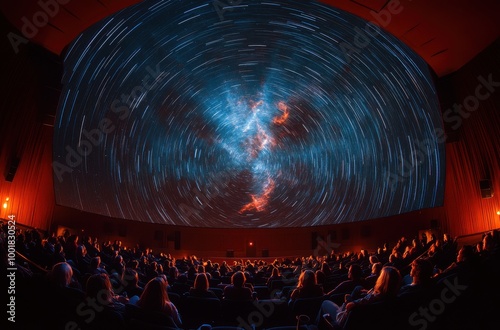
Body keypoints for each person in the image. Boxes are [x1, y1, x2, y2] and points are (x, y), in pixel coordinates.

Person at [318, 266, 401, 328]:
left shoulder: (369, 299)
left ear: (382, 280)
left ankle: (314, 326)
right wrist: (368, 292)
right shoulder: (394, 298)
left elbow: (350, 306)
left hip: (343, 320)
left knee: (325, 303)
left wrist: (348, 300)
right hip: (366, 324)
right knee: (358, 288)